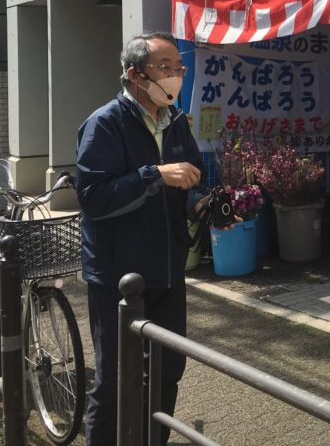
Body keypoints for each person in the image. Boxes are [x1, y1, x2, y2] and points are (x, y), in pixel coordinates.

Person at [75, 32, 207, 446]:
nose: (175, 76)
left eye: (179, 68)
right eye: (165, 68)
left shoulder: (177, 122)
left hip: (167, 271)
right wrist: (155, 175)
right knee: (116, 379)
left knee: (167, 373)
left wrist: (203, 205)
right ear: (135, 75)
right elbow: (94, 198)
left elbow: (192, 182)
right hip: (118, 276)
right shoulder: (104, 123)